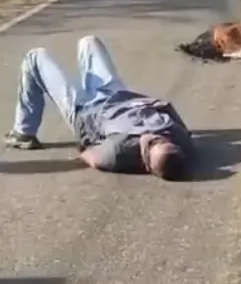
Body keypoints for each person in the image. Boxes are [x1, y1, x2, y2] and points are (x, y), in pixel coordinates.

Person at [4, 36, 195, 181]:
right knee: (90, 41)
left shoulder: (118, 153)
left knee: (35, 57)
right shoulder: (179, 140)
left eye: (152, 145)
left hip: (84, 110)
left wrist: (86, 145)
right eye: (163, 141)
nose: (156, 138)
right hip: (116, 94)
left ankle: (23, 133)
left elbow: (91, 157)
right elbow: (168, 109)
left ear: (145, 161)